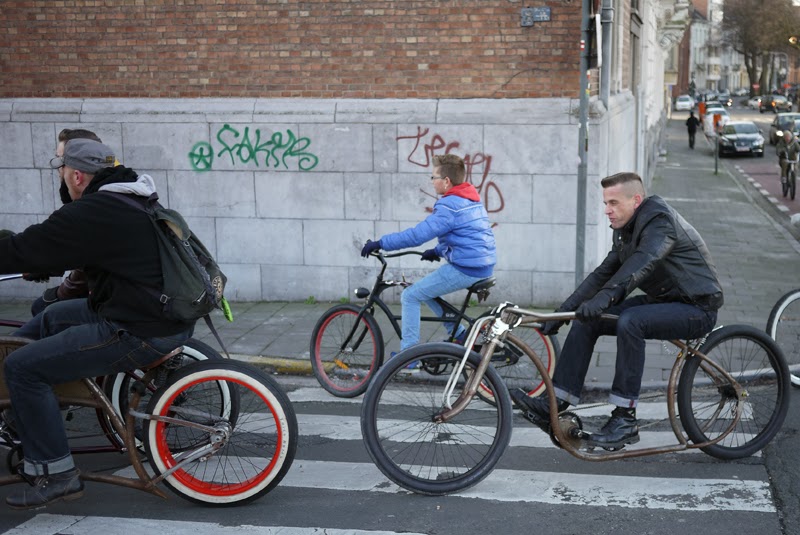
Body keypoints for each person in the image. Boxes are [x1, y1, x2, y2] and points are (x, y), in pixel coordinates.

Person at [0, 139, 195, 509]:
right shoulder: (129, 198)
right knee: (53, 316)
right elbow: (59, 251)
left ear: (75, 175)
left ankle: (58, 474)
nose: (60, 178)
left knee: (22, 368)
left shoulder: (95, 211)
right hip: (153, 314)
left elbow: (27, 247)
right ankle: (18, 411)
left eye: (60, 171)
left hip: (141, 329)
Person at [512, 172, 723, 450]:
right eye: (605, 203)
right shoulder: (625, 229)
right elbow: (602, 274)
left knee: (630, 321)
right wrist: (566, 311)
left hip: (697, 306)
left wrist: (604, 299)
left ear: (636, 200)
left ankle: (625, 419)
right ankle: (556, 403)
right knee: (588, 321)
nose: (606, 210)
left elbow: (642, 263)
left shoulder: (660, 221)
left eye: (613, 203)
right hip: (665, 301)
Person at [360, 154, 496, 352]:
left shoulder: (449, 205)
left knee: (410, 295)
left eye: (434, 177)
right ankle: (459, 335)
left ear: (446, 181)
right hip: (480, 265)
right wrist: (438, 250)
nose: (432, 182)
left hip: (466, 268)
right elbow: (465, 236)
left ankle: (408, 356)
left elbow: (417, 236)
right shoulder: (469, 200)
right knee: (423, 289)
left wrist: (381, 243)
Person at [24, 128, 104, 318]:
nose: (59, 169)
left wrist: (60, 293)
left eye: (62, 161)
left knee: (43, 311)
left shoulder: (93, 205)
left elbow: (88, 262)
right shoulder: (100, 192)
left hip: (114, 305)